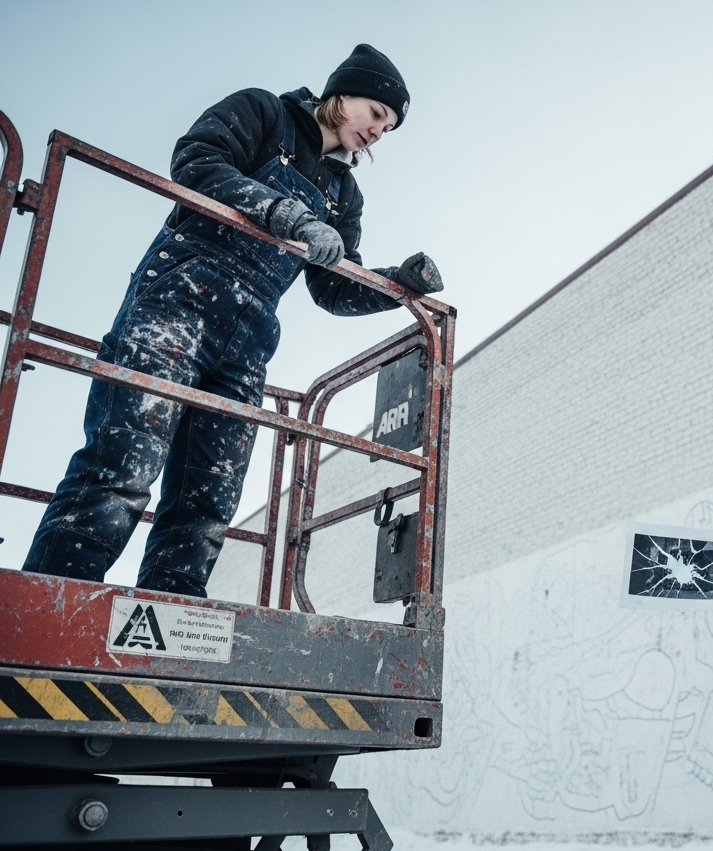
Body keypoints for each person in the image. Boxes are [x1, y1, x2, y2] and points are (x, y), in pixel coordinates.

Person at [24, 44, 443, 598]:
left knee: (207, 501)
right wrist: (280, 212)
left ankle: (169, 621)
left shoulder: (343, 194)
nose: (378, 133)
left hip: (245, 346)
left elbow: (334, 287)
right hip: (175, 306)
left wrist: (397, 285)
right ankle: (48, 607)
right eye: (376, 114)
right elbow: (197, 160)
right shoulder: (264, 113)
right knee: (122, 470)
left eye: (388, 128)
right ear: (342, 92)